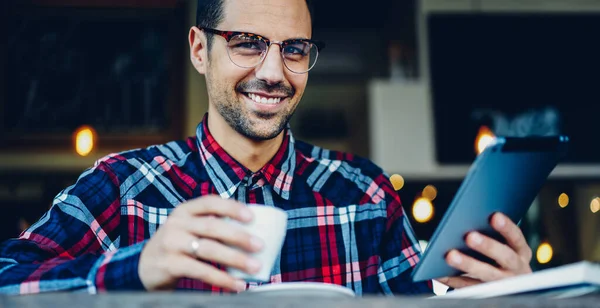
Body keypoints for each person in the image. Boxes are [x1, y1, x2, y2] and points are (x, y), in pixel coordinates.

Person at [0, 0, 533, 295]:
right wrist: (134, 269)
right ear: (199, 50)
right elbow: (9, 277)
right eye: (248, 43)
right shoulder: (123, 186)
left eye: (294, 49)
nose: (274, 73)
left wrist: (496, 294)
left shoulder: (365, 193)